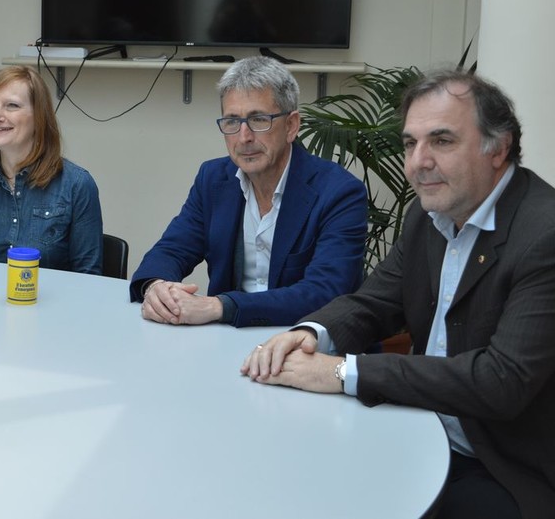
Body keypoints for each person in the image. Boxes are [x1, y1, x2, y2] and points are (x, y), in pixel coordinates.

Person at [241, 72, 555, 519]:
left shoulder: (544, 233)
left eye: (441, 141)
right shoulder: (428, 214)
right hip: (420, 428)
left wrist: (343, 372)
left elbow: (500, 382)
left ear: (498, 148)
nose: (418, 162)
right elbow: (374, 302)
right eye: (410, 143)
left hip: (505, 466)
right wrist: (311, 334)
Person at [131, 56, 367, 327]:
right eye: (232, 122)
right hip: (227, 339)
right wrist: (156, 287)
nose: (244, 137)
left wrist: (220, 306)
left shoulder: (339, 193)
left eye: (259, 119)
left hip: (304, 340)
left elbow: (324, 292)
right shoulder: (213, 179)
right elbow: (171, 250)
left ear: (291, 126)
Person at [0, 65, 103, 274]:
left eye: (12, 105)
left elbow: (89, 277)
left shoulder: (77, 185)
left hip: (55, 297)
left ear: (39, 117)